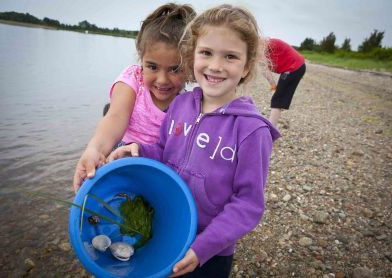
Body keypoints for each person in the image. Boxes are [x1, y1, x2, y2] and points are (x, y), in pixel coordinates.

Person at [107, 5, 280, 277]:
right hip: (166, 229)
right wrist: (138, 151)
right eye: (206, 53)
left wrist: (204, 247)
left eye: (230, 57)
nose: (215, 66)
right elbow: (165, 152)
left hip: (210, 251)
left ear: (247, 65)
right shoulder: (181, 105)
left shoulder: (252, 130)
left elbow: (248, 203)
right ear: (192, 55)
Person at [72, 3, 196, 193]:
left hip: (157, 167)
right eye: (152, 67)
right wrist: (95, 149)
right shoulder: (133, 81)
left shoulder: (189, 103)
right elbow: (115, 117)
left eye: (175, 69)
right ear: (141, 59)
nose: (162, 80)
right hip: (120, 157)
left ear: (189, 67)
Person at [263, 38, 306, 126]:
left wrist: (274, 87)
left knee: (278, 100)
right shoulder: (262, 42)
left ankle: (270, 132)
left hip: (294, 67)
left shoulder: (258, 47)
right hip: (297, 66)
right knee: (279, 98)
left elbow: (264, 70)